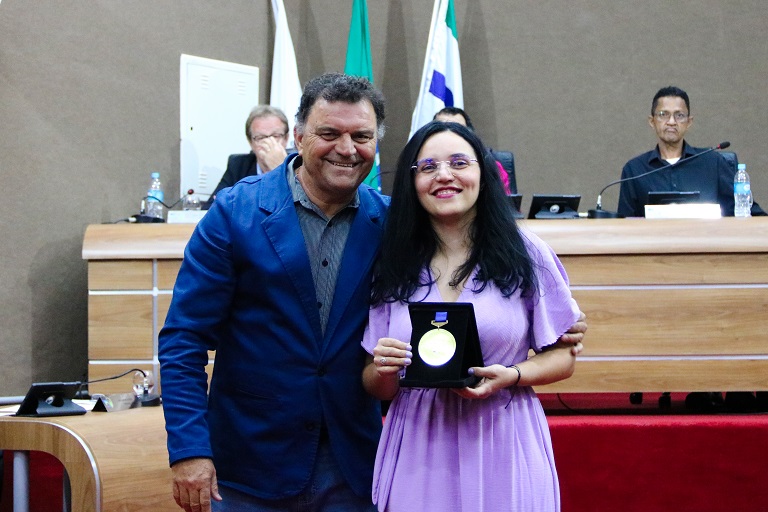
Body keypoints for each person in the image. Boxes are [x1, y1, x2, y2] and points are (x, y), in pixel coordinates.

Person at [159, 73, 587, 512]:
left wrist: (558, 322)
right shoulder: (235, 213)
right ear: (299, 137)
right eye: (329, 133)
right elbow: (183, 339)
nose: (346, 148)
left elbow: (474, 270)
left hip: (353, 465)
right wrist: (190, 449)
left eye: (361, 136)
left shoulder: (394, 227)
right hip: (251, 462)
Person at [361, 120, 582, 511]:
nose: (444, 175)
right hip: (418, 443)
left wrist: (512, 375)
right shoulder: (392, 261)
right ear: (413, 182)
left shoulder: (526, 252)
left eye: (459, 163)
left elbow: (564, 356)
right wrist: (383, 370)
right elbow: (376, 384)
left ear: (483, 172)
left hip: (502, 434)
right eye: (428, 167)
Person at [618, 86, 765, 217]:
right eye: (663, 114)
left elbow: (749, 212)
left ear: (689, 122)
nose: (671, 122)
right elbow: (623, 226)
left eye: (679, 115)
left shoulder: (713, 163)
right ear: (652, 121)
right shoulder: (634, 170)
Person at [203, 105, 291, 208]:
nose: (268, 143)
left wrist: (281, 170)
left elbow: (300, 211)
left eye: (276, 136)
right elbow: (211, 207)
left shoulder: (299, 166)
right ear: (250, 142)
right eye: (260, 137)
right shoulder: (238, 165)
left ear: (286, 139)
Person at [433, 107, 516, 195]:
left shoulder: (492, 167)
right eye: (441, 130)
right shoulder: (425, 164)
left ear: (470, 134)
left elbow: (504, 201)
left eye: (457, 130)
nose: (449, 134)